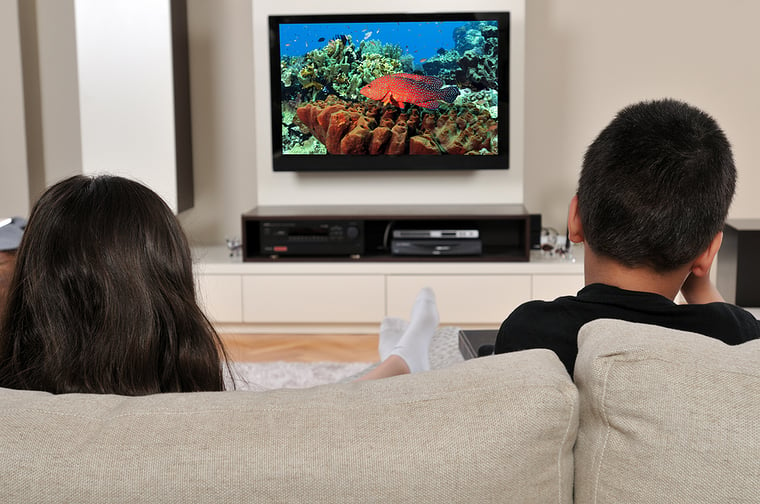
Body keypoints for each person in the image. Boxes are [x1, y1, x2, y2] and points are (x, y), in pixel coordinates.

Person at [0, 175, 438, 395]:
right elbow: (322, 415)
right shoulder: (214, 427)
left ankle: (400, 356)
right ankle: (403, 358)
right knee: (333, 398)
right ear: (166, 283)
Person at [494, 98, 760, 376]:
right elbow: (744, 348)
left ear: (575, 219)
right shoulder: (733, 338)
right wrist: (699, 282)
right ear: (708, 252)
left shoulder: (529, 331)